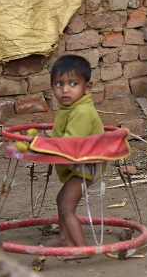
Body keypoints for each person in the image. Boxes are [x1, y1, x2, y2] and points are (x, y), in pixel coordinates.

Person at [45, 54, 104, 259]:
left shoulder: (82, 112)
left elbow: (70, 144)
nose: (65, 89)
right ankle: (65, 240)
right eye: (58, 84)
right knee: (61, 199)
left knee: (66, 207)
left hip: (86, 166)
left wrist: (42, 145)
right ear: (52, 87)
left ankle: (81, 249)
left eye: (73, 83)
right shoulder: (69, 107)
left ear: (87, 87)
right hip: (79, 164)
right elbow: (60, 134)